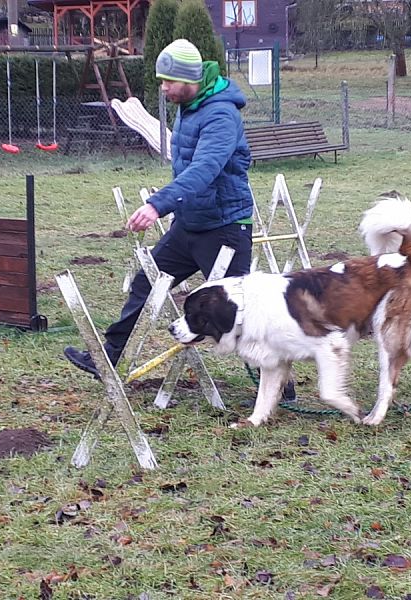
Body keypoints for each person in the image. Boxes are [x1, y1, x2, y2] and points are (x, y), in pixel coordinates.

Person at [64, 38, 295, 401]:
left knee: (242, 312)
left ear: (189, 79)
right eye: (162, 80)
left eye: (169, 81)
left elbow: (205, 168)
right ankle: (109, 357)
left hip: (225, 228)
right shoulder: (188, 105)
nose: (164, 88)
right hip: (189, 225)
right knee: (147, 283)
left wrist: (158, 204)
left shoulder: (221, 115)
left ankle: (281, 379)